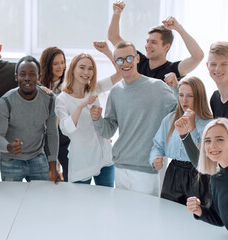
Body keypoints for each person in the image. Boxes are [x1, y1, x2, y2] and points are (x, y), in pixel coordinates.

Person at [90, 41, 176, 196]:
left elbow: (179, 116)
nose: (125, 63)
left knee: (147, 217)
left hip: (147, 168)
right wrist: (97, 120)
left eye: (129, 58)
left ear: (137, 58)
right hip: (121, 166)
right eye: (120, 60)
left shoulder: (158, 87)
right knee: (123, 217)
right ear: (115, 63)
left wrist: (176, 89)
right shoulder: (116, 92)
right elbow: (109, 130)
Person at [55, 42, 121, 186]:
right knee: (80, 204)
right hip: (82, 160)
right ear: (72, 69)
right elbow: (66, 129)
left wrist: (108, 52)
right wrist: (81, 105)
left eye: (90, 68)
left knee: (105, 202)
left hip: (104, 158)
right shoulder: (62, 99)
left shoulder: (94, 88)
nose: (86, 72)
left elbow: (121, 73)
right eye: (82, 67)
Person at [0, 56, 60, 183]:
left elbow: (52, 134)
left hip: (37, 157)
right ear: (16, 77)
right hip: (10, 160)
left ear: (39, 77)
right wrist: (9, 147)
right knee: (12, 201)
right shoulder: (4, 102)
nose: (27, 78)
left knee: (40, 199)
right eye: (22, 74)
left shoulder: (50, 100)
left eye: (32, 74)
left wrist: (52, 166)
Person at [108, 1, 204, 87]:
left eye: (154, 42)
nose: (148, 46)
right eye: (147, 41)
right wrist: (117, 13)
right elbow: (113, 37)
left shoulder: (172, 70)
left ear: (166, 47)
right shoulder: (138, 60)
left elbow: (198, 56)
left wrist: (179, 28)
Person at [149, 76, 212, 205]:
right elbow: (157, 146)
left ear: (200, 97)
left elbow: (202, 154)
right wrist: (155, 159)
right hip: (173, 173)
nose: (184, 100)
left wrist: (192, 128)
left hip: (198, 175)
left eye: (190, 96)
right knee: (168, 212)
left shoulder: (209, 123)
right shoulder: (169, 119)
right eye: (181, 95)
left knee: (195, 216)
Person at [40, 46, 70, 181]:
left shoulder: (69, 84)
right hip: (46, 140)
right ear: (48, 65)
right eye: (56, 63)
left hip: (66, 138)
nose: (61, 66)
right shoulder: (39, 86)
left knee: (70, 177)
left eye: (62, 62)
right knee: (50, 181)